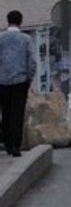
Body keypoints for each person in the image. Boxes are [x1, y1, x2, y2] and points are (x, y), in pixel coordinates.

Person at [0, 10, 37, 157]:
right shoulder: (26, 39)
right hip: (20, 82)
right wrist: (29, 78)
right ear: (20, 22)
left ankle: (7, 143)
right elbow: (32, 62)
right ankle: (16, 146)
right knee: (18, 113)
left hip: (2, 82)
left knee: (6, 112)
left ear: (7, 21)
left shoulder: (0, 38)